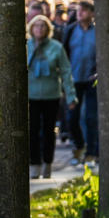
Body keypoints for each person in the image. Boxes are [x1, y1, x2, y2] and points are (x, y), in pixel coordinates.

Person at [26, 14, 76, 180]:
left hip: (51, 95)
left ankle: (47, 163)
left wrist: (70, 96)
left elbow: (66, 71)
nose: (39, 29)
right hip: (31, 96)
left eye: (43, 26)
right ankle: (34, 164)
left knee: (48, 131)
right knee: (32, 131)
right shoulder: (27, 46)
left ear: (48, 29)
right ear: (31, 28)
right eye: (36, 26)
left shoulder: (56, 47)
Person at [63, 0, 98, 165]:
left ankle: (92, 152)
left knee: (91, 117)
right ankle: (79, 146)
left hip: (92, 80)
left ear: (91, 13)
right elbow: (64, 54)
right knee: (72, 118)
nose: (80, 13)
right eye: (78, 10)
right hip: (73, 79)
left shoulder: (97, 32)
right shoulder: (70, 31)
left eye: (84, 10)